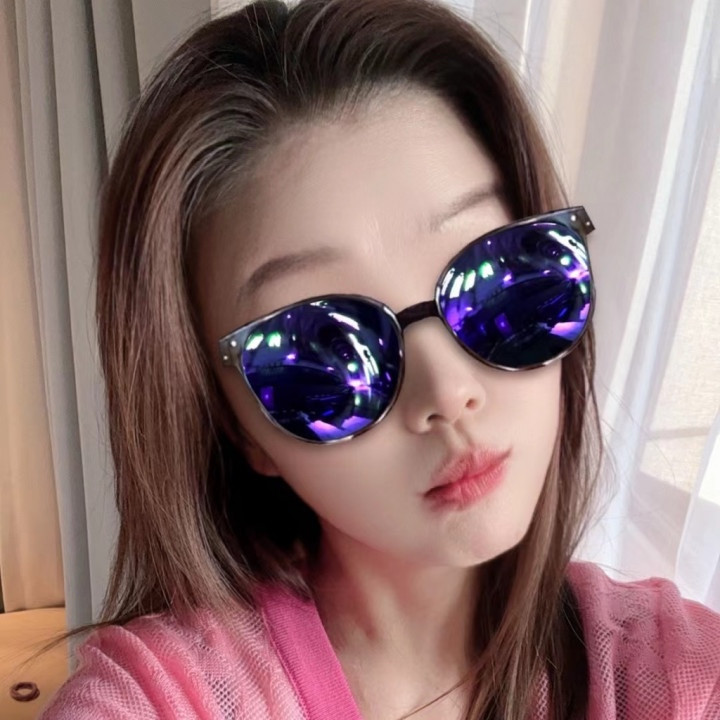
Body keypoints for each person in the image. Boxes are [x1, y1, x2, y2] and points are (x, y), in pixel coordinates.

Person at [37, 0, 720, 718]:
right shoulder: (160, 699)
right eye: (324, 350)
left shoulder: (680, 677)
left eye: (499, 282)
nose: (448, 391)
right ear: (233, 424)